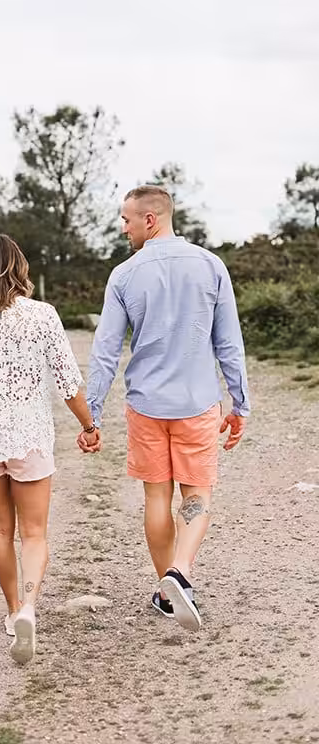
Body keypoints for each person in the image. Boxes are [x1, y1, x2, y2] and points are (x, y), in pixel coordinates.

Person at [87, 185, 250, 632]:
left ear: (150, 220)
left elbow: (105, 351)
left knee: (157, 497)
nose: (123, 227)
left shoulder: (123, 275)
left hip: (146, 406)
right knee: (196, 495)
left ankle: (166, 589)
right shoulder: (211, 266)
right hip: (197, 404)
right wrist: (240, 402)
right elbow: (228, 343)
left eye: (126, 219)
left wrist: (93, 413)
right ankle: (179, 572)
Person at [0, 234, 99, 665]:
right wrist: (89, 425)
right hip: (29, 436)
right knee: (33, 533)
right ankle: (31, 606)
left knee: (0, 530)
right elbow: (68, 382)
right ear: (21, 269)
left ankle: (13, 612)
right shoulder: (43, 315)